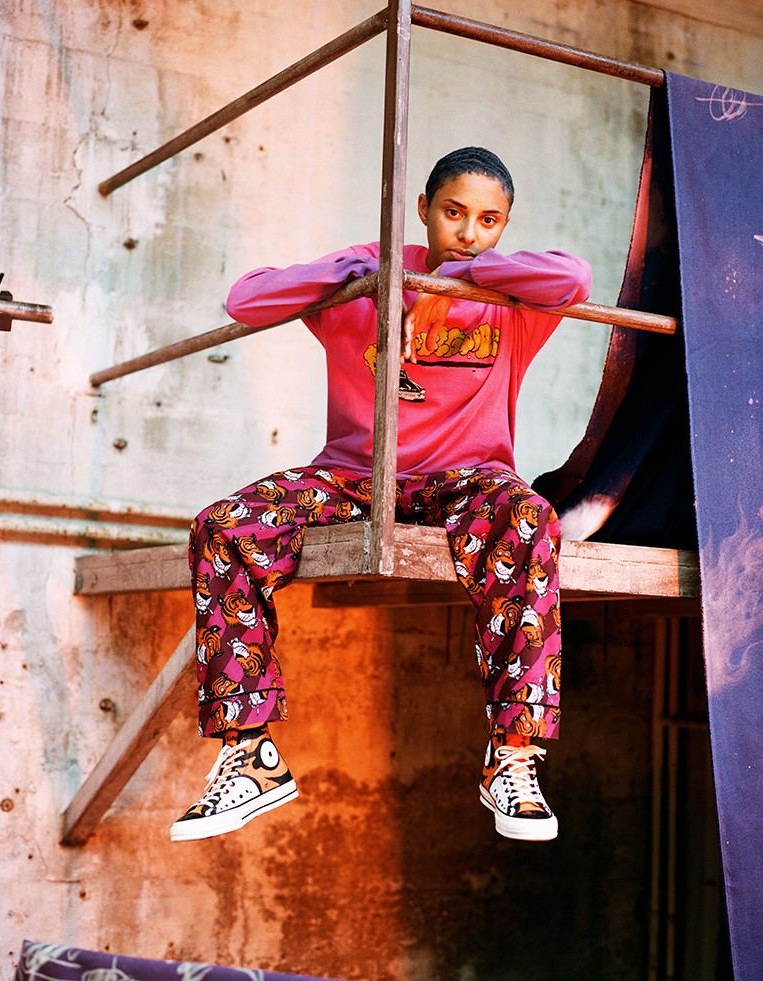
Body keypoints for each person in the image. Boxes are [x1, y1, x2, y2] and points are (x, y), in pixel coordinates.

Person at [170, 146, 592, 844]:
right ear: (423, 209)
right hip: (354, 476)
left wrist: (462, 277)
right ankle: (250, 757)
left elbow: (574, 277)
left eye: (489, 221)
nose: (468, 231)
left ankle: (512, 755)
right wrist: (367, 274)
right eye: (453, 213)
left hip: (468, 480)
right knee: (224, 526)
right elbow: (246, 299)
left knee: (529, 517)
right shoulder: (362, 279)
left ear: (504, 225)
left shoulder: (510, 302)